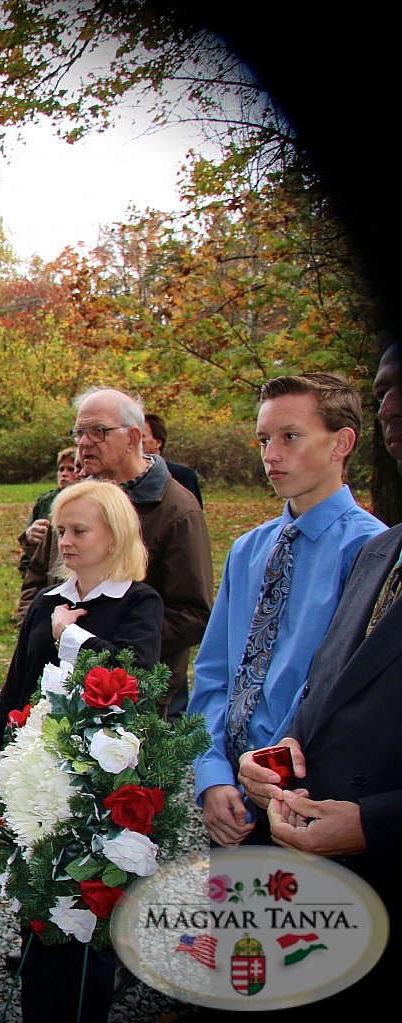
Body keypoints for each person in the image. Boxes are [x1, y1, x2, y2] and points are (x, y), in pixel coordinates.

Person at [237, 344, 402, 1012]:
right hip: (285, 814)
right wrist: (242, 767)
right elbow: (323, 686)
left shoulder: (361, 540)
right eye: (384, 386)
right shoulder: (387, 553)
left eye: (290, 435)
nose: (389, 402)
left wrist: (374, 823)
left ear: (343, 444)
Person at [0, 479, 162, 1023]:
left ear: (115, 533)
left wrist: (73, 639)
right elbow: (16, 685)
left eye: (80, 530)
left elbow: (138, 678)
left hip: (103, 789)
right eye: (61, 531)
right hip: (37, 778)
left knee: (88, 906)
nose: (67, 542)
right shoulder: (47, 602)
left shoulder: (138, 601)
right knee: (36, 898)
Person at [192, 374, 383, 847]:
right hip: (232, 801)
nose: (270, 455)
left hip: (309, 804)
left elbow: (340, 692)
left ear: (342, 443)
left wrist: (266, 769)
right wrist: (213, 774)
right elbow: (214, 672)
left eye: (290, 437)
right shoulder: (248, 549)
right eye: (263, 439)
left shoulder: (372, 552)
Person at [22, 389, 213, 717]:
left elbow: (193, 614)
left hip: (131, 700)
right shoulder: (74, 501)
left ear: (132, 438)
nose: (84, 443)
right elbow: (38, 579)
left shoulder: (176, 510)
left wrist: (94, 640)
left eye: (98, 431)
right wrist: (38, 636)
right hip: (52, 685)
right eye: (79, 432)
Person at [18, 447, 77, 577]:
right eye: (61, 469)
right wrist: (29, 538)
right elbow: (28, 551)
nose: (64, 474)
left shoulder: (90, 503)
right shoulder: (44, 502)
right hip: (44, 579)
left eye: (70, 469)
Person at [142, 412, 204, 509]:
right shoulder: (122, 476)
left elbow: (194, 516)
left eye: (142, 436)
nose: (135, 441)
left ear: (157, 443)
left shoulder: (183, 476)